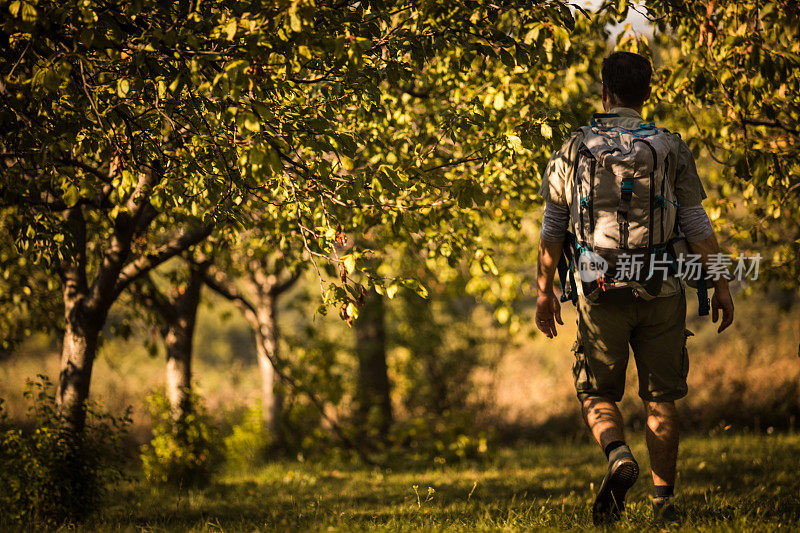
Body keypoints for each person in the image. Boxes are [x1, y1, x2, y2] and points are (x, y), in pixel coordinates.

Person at [535, 51, 735, 524]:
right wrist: (721, 281)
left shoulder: (573, 147)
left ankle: (618, 454)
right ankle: (663, 504)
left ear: (604, 90)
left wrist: (544, 291)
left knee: (597, 392)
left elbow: (553, 228)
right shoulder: (669, 146)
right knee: (660, 398)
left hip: (597, 290)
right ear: (648, 93)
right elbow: (695, 222)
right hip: (663, 288)